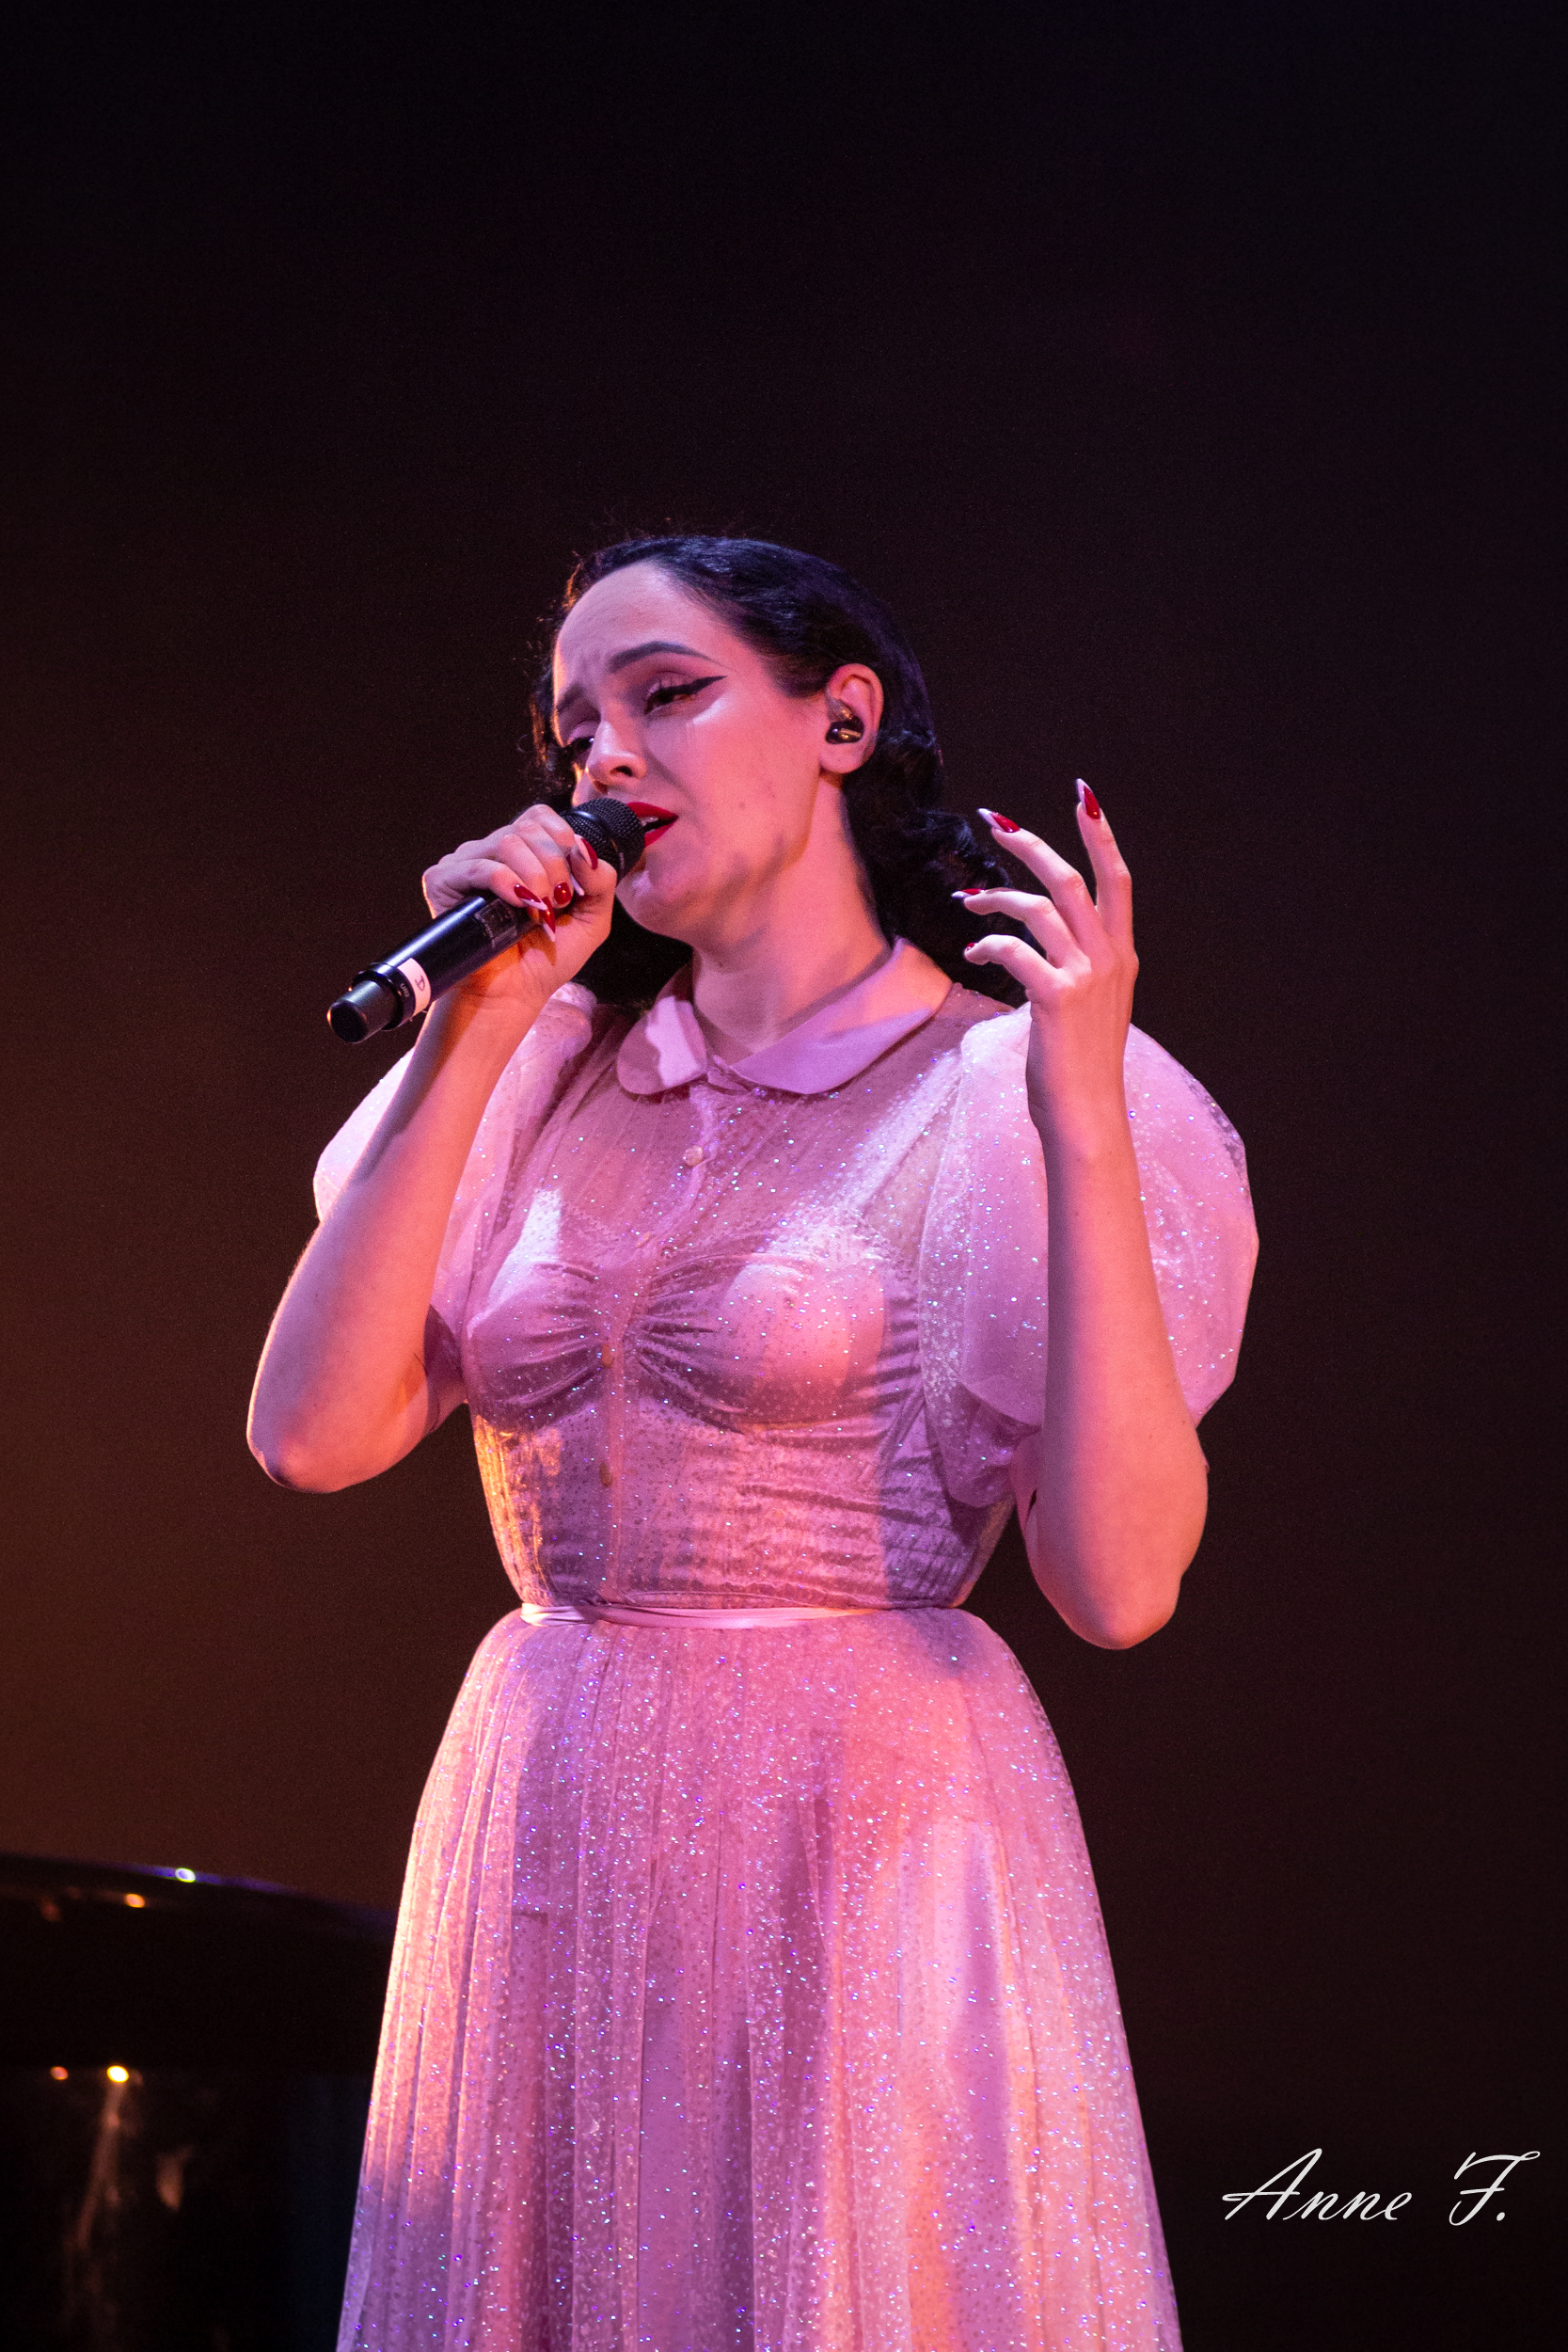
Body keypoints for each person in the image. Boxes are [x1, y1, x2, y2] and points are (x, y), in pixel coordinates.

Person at [249, 535, 1257, 2351]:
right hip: (548, 1814)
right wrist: (479, 1027)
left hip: (853, 1831)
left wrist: (1084, 1114)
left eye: (668, 694)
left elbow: (1117, 1588)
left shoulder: (1005, 1083)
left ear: (841, 721)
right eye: (576, 730)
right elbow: (311, 1438)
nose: (607, 759)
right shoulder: (549, 1065)